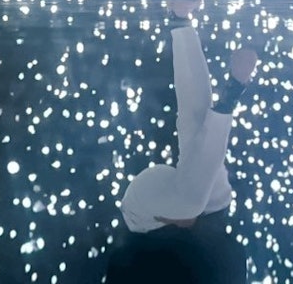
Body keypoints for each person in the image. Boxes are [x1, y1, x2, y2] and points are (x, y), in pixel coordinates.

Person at [106, 19, 258, 283]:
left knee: (191, 201)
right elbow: (229, 249)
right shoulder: (225, 266)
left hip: (147, 217)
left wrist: (178, 226)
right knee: (206, 175)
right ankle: (181, 21)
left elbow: (124, 263)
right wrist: (192, 226)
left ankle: (231, 93)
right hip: (202, 214)